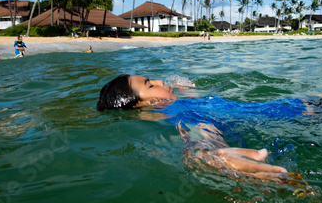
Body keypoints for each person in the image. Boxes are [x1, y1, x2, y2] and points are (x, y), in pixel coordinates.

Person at [97, 75, 292, 183]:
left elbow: (201, 106)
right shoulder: (180, 116)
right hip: (292, 113)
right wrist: (210, 155)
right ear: (144, 104)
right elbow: (201, 135)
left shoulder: (179, 107)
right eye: (149, 84)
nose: (160, 82)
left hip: (287, 111)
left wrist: (186, 90)